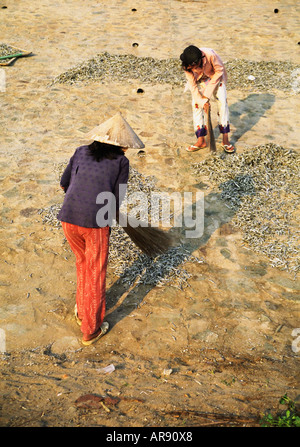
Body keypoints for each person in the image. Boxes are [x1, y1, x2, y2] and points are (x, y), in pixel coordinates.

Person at [57, 112, 144, 346]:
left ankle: (81, 312)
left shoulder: (80, 151)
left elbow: (65, 183)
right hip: (94, 224)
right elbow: (118, 198)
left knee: (82, 264)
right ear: (121, 146)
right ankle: (91, 330)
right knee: (96, 272)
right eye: (125, 146)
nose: (126, 150)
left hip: (68, 218)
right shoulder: (121, 162)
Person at [180, 45, 234, 153]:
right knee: (196, 106)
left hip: (215, 77)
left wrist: (207, 95)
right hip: (199, 81)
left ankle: (225, 140)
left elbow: (219, 71)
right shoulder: (187, 67)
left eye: (195, 66)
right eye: (192, 68)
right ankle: (201, 140)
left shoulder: (210, 55)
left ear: (200, 60)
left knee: (222, 103)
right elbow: (193, 86)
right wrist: (202, 101)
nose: (194, 69)